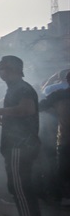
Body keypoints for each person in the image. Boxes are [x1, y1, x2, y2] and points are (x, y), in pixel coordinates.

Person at [0, 56, 43, 216]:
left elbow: (27, 109)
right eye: (0, 68)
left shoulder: (22, 88)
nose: (2, 72)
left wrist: (1, 111)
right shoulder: (14, 88)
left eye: (5, 68)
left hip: (19, 146)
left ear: (15, 69)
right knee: (20, 188)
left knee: (20, 188)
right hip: (18, 145)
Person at [39, 69, 70, 201]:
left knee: (63, 172)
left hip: (65, 141)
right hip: (65, 141)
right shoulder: (59, 95)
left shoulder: (59, 95)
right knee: (63, 172)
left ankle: (64, 198)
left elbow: (39, 106)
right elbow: (39, 106)